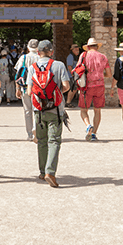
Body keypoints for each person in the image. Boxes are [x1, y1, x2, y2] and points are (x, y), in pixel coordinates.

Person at [26, 40, 70, 188]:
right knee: (54, 141)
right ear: (51, 52)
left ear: (38, 53)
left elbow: (29, 91)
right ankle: (50, 172)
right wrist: (54, 95)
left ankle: (42, 170)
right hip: (56, 110)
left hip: (38, 110)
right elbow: (66, 86)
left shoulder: (33, 67)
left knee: (42, 140)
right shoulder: (59, 65)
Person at [78, 37, 111, 141]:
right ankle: (94, 134)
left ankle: (88, 126)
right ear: (97, 46)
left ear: (87, 47)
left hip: (87, 86)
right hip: (100, 86)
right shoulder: (103, 57)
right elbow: (109, 74)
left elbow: (78, 70)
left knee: (83, 110)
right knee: (97, 110)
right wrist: (100, 75)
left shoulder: (84, 55)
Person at [15, 39, 40, 142]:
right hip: (38, 88)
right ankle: (36, 130)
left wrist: (17, 88)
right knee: (37, 110)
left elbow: (18, 74)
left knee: (27, 111)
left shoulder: (23, 58)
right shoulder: (40, 58)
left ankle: (30, 134)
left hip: (25, 88)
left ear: (28, 48)